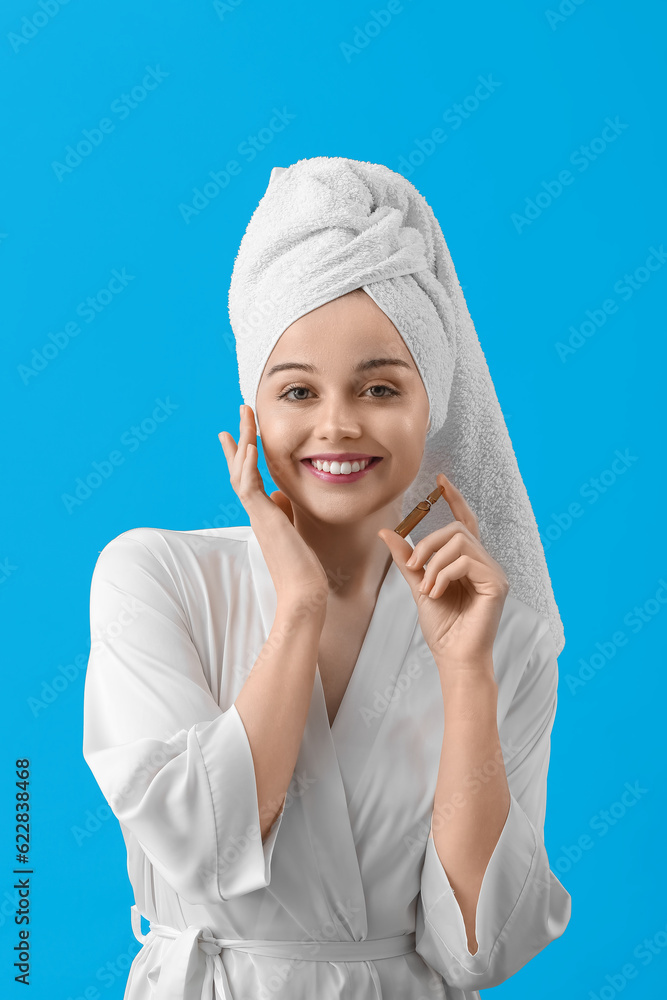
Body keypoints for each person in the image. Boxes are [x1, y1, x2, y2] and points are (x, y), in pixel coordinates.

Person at [83, 157, 571, 1000]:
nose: (337, 425)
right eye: (297, 390)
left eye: (380, 386)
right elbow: (202, 850)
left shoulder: (501, 636)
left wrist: (464, 676)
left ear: (435, 401)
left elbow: (476, 951)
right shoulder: (152, 576)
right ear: (253, 410)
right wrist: (300, 605)